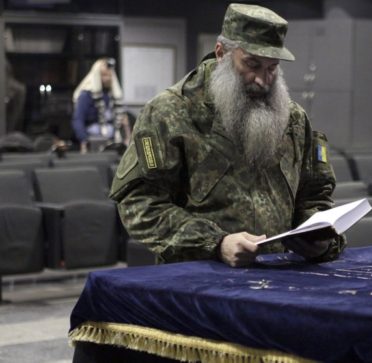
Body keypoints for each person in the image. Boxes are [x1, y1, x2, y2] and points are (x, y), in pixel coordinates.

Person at [110, 3, 345, 268]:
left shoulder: (293, 118)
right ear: (221, 53)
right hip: (197, 279)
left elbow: (315, 195)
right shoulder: (170, 112)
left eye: (272, 68)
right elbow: (139, 205)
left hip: (282, 277)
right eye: (252, 64)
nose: (262, 80)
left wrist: (318, 238)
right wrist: (216, 243)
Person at [71, 58, 130, 153]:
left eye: (109, 75)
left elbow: (123, 119)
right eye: (104, 75)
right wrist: (84, 140)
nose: (107, 78)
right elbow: (78, 119)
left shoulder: (114, 95)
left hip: (113, 141)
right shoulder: (86, 95)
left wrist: (127, 137)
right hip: (93, 141)